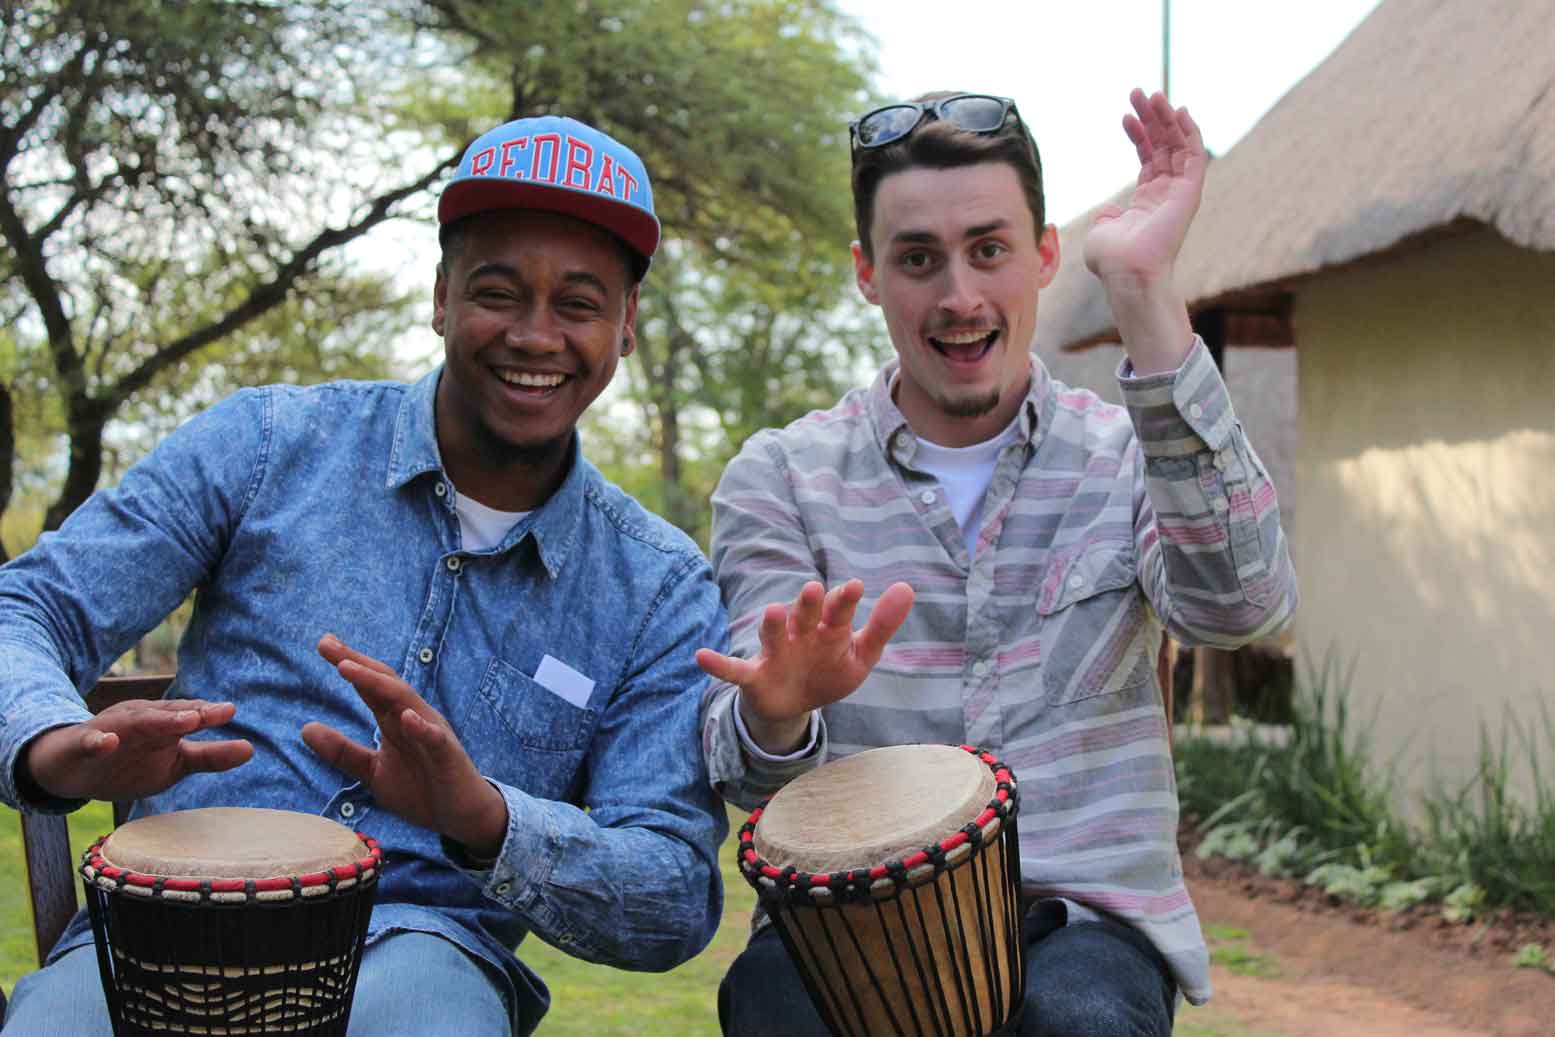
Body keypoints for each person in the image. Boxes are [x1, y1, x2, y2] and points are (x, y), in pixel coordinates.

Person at [0, 114, 728, 1036]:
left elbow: (670, 891)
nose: (535, 335)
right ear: (439, 297)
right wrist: (53, 741)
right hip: (164, 921)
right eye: (497, 291)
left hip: (424, 946)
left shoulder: (658, 588)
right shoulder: (266, 445)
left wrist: (487, 820)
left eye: (578, 304)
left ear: (625, 326)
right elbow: (22, 606)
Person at [698, 89, 1298, 1036]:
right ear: (866, 273)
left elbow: (1245, 608)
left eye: (988, 249)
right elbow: (747, 772)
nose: (959, 296)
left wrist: (1143, 291)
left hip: (1085, 924)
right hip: (840, 917)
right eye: (917, 258)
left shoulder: (1130, 453)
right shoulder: (781, 477)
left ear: (1045, 254)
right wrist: (777, 711)